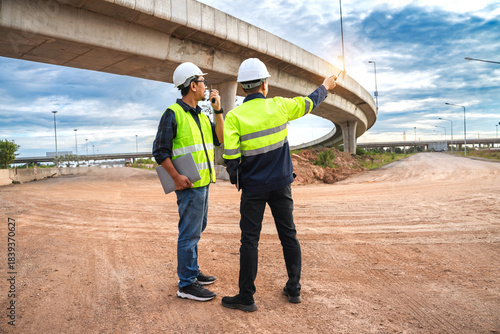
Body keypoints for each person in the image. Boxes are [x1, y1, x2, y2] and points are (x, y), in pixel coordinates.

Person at [221, 58, 338, 312]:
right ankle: (294, 288)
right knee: (289, 235)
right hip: (281, 184)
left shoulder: (234, 117)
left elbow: (230, 157)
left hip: (253, 188)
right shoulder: (280, 106)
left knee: (249, 241)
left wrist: (238, 179)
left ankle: (247, 296)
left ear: (242, 88)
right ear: (265, 85)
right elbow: (309, 103)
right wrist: (325, 86)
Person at [153, 62, 224, 302]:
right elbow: (160, 151)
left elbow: (220, 139)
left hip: (202, 183)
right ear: (193, 85)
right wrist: (176, 177)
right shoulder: (172, 114)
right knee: (189, 233)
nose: (206, 86)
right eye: (203, 82)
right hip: (188, 185)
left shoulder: (202, 115)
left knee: (197, 229)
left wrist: (218, 110)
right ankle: (186, 283)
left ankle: (192, 272)